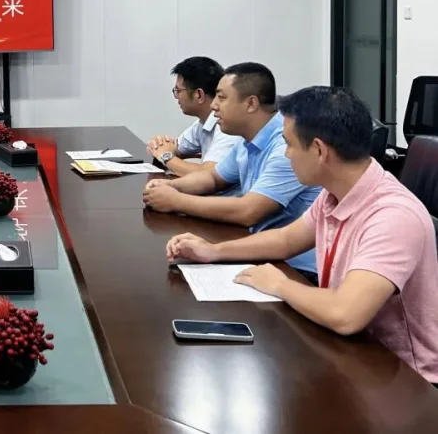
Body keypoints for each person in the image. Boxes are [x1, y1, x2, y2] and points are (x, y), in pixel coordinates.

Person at [166, 87, 438, 386]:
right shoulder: (336, 192)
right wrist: (213, 251)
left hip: (406, 380)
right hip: (351, 352)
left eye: (289, 144)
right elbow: (286, 240)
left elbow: (346, 313)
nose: (286, 154)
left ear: (319, 150)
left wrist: (280, 284)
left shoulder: (393, 216)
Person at [143, 62, 320, 274]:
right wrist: (171, 186)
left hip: (296, 269)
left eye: (222, 97)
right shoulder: (247, 138)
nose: (213, 105)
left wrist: (176, 201)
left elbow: (248, 211)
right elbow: (213, 178)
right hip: (260, 249)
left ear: (251, 104)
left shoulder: (285, 147)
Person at [146, 57, 240, 177]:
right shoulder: (202, 123)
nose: (176, 97)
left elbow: (208, 175)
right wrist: (158, 146)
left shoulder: (228, 128)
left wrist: (165, 156)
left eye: (178, 91)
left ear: (199, 95)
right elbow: (173, 149)